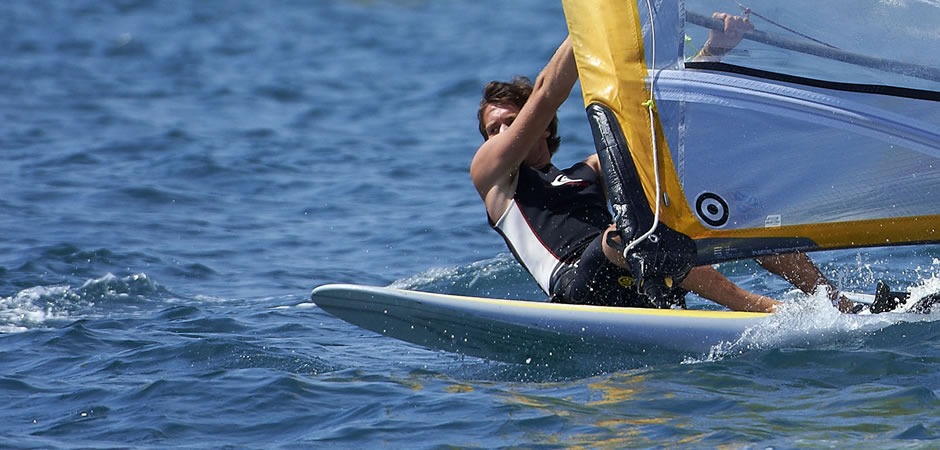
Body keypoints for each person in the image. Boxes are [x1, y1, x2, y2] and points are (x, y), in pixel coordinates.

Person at [471, 13, 853, 313]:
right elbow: (547, 91)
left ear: (541, 130)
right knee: (634, 235)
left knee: (722, 213)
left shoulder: (587, 172)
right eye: (494, 128)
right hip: (579, 285)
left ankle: (833, 302)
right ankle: (769, 310)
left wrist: (715, 50)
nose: (503, 132)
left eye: (511, 121)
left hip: (639, 275)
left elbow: (661, 126)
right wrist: (592, 19)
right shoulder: (494, 178)